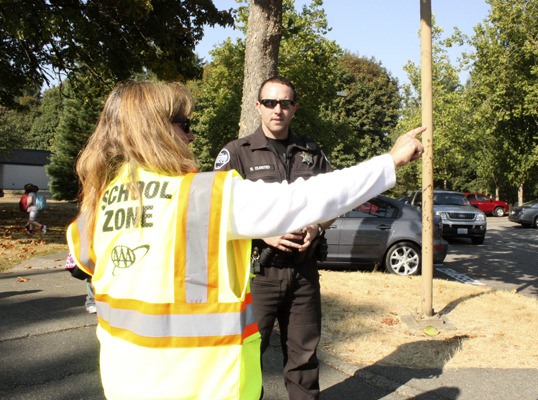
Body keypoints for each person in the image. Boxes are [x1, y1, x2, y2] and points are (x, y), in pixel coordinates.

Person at [66, 80, 423, 400]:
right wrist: (391, 161)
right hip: (200, 386)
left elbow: (94, 267)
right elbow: (306, 198)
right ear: (154, 130)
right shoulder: (204, 195)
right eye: (185, 125)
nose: (191, 137)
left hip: (124, 384)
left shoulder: (96, 204)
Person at [213, 76, 331, 399]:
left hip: (304, 274)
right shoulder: (237, 154)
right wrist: (264, 232)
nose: (277, 109)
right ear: (258, 106)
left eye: (284, 103)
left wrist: (317, 226)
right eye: (269, 103)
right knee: (244, 357)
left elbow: (334, 200)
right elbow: (219, 209)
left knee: (304, 360)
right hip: (258, 275)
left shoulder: (311, 153)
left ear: (294, 108)